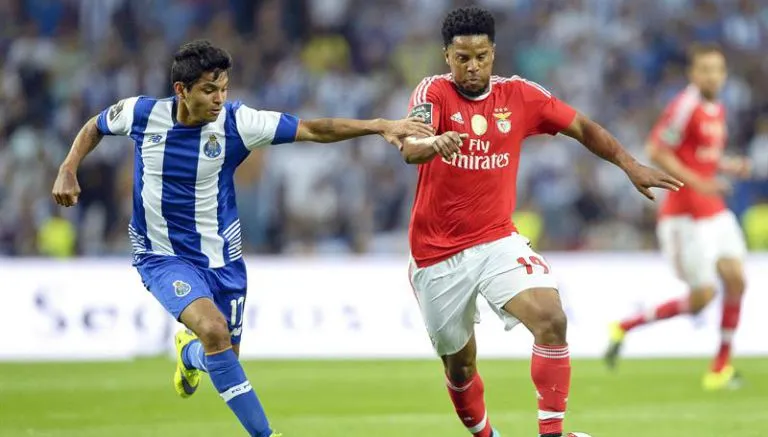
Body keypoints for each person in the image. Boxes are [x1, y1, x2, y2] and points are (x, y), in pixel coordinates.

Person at [51, 39, 433, 437]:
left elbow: (313, 129)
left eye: (224, 89)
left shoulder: (237, 123)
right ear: (181, 90)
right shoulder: (142, 113)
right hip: (161, 255)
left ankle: (189, 353)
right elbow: (95, 125)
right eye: (209, 90)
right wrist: (68, 167)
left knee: (224, 355)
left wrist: (380, 125)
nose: (219, 99)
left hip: (223, 260)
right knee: (214, 331)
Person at [394, 7, 682, 437]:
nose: (472, 66)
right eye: (462, 58)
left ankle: (552, 433)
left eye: (481, 56)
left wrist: (629, 164)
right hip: (437, 255)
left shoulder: (520, 96)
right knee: (460, 367)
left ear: (493, 53)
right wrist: (433, 142)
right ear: (446, 57)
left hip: (496, 240)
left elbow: (581, 126)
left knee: (551, 318)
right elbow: (409, 145)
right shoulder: (432, 93)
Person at [604, 44, 751, 391]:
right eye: (705, 69)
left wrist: (730, 165)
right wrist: (698, 181)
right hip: (684, 216)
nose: (712, 76)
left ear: (724, 74)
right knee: (703, 296)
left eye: (717, 69)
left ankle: (720, 368)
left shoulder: (717, 108)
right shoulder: (685, 106)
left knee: (737, 280)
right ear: (693, 74)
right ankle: (626, 325)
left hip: (713, 210)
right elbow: (657, 148)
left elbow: (702, 156)